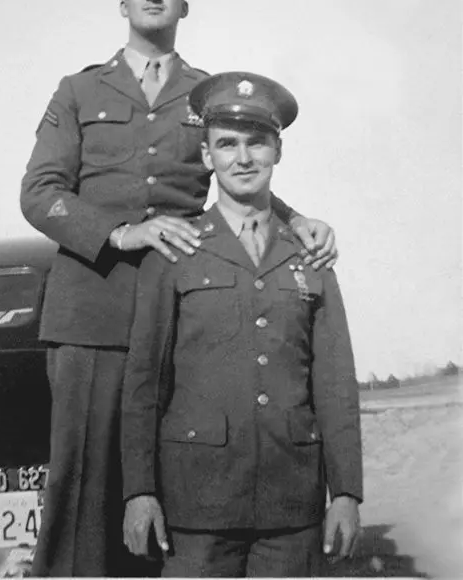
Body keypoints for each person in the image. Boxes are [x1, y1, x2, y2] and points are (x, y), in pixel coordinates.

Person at [21, 0, 338, 578]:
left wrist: (298, 220)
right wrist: (119, 233)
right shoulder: (79, 93)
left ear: (184, 2)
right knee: (84, 496)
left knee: (176, 493)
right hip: (94, 319)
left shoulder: (205, 94)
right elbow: (39, 193)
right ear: (123, 1)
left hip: (184, 322)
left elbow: (238, 180)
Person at [121, 71, 363, 577]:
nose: (243, 158)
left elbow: (335, 384)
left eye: (257, 143)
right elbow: (145, 380)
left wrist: (345, 492)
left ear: (278, 152)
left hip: (290, 500)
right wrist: (139, 490)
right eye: (227, 145)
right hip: (197, 501)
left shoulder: (310, 255)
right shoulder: (175, 249)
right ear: (208, 156)